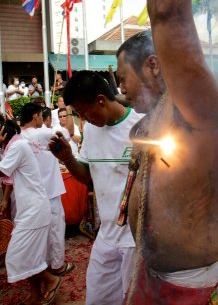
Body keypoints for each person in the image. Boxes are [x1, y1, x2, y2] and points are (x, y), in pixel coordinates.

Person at [114, 0, 218, 304]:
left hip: (201, 287)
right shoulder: (148, 120)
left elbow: (169, 14)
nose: (120, 91)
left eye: (122, 79)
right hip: (152, 277)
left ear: (153, 65)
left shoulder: (194, 106)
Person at [48, 71, 143, 305]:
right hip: (106, 235)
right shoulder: (92, 130)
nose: (83, 119)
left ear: (101, 100)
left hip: (136, 240)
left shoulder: (141, 126)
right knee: (97, 298)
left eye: (83, 112)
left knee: (135, 299)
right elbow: (87, 175)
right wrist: (69, 158)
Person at [0, 119, 61, 305]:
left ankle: (51, 280)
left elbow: (2, 173)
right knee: (31, 256)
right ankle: (35, 295)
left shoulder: (18, 146)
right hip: (30, 209)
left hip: (34, 210)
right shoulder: (16, 146)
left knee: (16, 257)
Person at [20, 103, 74, 278]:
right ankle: (57, 266)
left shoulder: (18, 138)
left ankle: (41, 266)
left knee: (39, 233)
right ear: (36, 116)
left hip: (30, 195)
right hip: (49, 191)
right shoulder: (43, 133)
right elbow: (70, 133)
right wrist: (70, 111)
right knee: (56, 229)